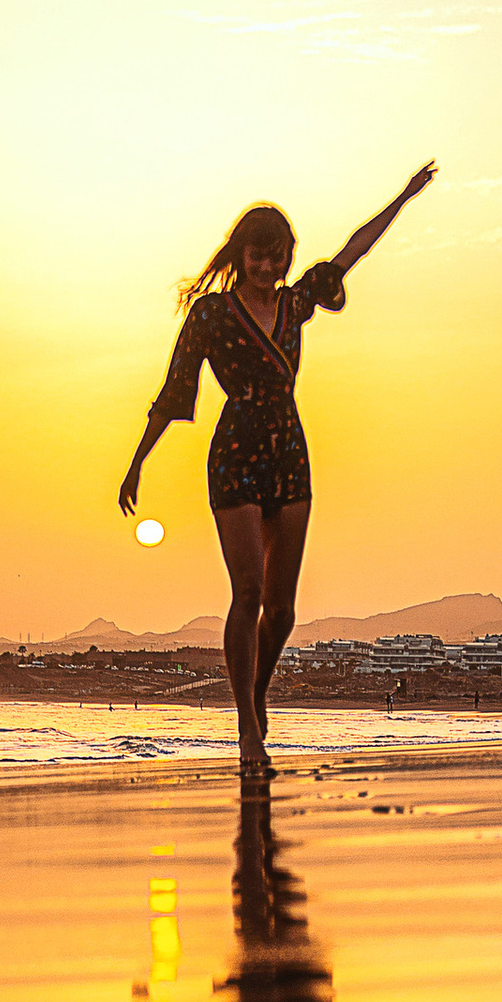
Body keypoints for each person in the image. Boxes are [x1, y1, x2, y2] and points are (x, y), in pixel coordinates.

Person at [119, 167, 437, 773]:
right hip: (236, 451)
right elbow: (173, 389)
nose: (267, 267)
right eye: (257, 256)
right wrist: (137, 462)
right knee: (248, 591)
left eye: (276, 256)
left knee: (283, 610)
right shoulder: (212, 315)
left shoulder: (296, 304)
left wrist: (402, 197)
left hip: (290, 450)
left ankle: (258, 694)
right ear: (240, 255)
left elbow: (353, 251)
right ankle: (246, 724)